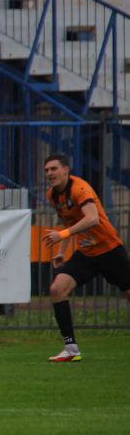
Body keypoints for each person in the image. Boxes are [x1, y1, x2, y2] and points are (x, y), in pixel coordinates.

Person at [42, 154, 130, 362]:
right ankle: (71, 349)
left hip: (109, 249)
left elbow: (92, 219)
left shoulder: (80, 188)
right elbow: (69, 222)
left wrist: (62, 235)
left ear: (66, 170)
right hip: (86, 253)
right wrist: (62, 251)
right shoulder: (52, 195)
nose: (49, 173)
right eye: (46, 170)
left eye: (54, 169)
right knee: (57, 289)